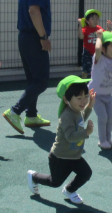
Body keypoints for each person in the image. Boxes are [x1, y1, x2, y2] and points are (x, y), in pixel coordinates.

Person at [3, 0, 56, 134]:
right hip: (34, 38)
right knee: (41, 81)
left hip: (25, 38)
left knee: (32, 80)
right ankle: (15, 111)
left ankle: (31, 115)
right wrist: (43, 37)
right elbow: (34, 11)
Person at [27, 76, 95, 205]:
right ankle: (34, 176)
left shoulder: (77, 110)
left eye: (86, 96)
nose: (84, 101)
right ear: (66, 99)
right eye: (79, 98)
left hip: (74, 156)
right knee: (55, 182)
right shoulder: (66, 115)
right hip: (60, 157)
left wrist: (90, 106)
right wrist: (86, 132)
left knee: (86, 173)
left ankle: (69, 190)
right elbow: (70, 136)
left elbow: (81, 120)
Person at [78, 9, 112, 78]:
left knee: (98, 69)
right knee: (86, 71)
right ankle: (83, 85)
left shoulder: (99, 28)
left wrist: (108, 28)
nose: (95, 20)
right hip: (87, 54)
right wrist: (80, 26)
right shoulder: (85, 29)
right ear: (87, 20)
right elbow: (81, 37)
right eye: (93, 19)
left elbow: (104, 36)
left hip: (97, 53)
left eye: (97, 19)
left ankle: (96, 85)